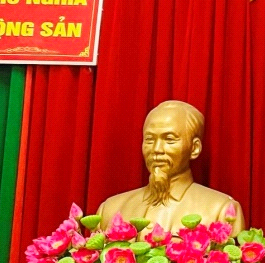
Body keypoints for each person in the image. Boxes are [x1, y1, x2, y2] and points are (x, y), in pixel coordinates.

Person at [96, 99, 245, 233]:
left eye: (169, 139)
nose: (157, 149)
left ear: (194, 148)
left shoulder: (221, 211)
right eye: (149, 140)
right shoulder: (110, 209)